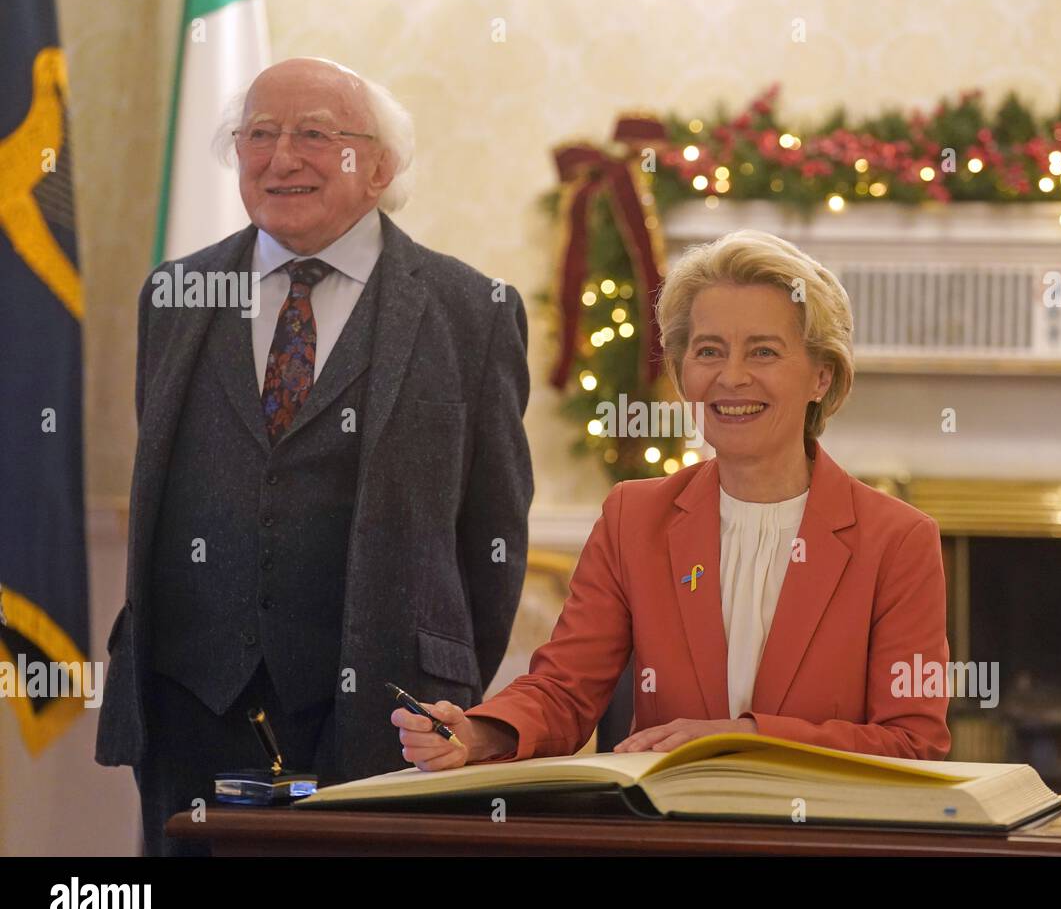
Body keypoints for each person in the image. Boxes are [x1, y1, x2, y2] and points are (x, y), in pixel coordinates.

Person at [95, 58, 533, 854]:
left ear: (380, 167)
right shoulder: (176, 294)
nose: (281, 157)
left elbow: (492, 533)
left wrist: (446, 683)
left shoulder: (471, 310)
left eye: (315, 135)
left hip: (386, 721)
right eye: (259, 134)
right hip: (191, 711)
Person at [393, 229, 948, 769]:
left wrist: (747, 736)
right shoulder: (633, 516)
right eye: (709, 351)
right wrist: (481, 733)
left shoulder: (898, 539)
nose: (731, 377)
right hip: (669, 831)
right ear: (683, 372)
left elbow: (913, 741)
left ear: (821, 377)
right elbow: (565, 690)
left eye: (763, 352)